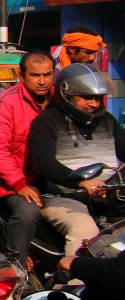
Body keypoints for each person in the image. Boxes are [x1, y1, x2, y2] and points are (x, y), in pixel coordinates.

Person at [28, 64, 125, 257]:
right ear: (67, 95)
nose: (94, 104)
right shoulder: (46, 123)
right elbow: (43, 161)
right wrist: (79, 181)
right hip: (63, 199)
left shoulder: (107, 121)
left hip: (108, 197)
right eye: (87, 98)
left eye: (97, 98)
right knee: (86, 232)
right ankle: (76, 282)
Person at [0, 51, 53, 264]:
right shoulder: (5, 102)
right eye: (35, 75)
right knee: (28, 212)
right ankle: (17, 270)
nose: (42, 81)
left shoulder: (59, 102)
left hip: (52, 181)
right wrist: (20, 184)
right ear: (22, 76)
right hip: (10, 186)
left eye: (47, 75)